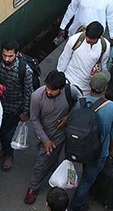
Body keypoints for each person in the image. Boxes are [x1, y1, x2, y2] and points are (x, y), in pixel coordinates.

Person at [23, 70, 79, 204]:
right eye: (47, 88)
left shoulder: (70, 91)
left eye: (53, 90)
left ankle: (36, 184)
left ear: (60, 89)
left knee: (47, 159)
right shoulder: (37, 96)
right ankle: (34, 186)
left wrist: (68, 117)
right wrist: (45, 139)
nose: (48, 92)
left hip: (61, 133)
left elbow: (80, 101)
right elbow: (34, 119)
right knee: (42, 161)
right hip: (44, 134)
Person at [69, 71, 113, 211]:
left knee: (85, 169)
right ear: (105, 89)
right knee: (87, 181)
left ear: (90, 86)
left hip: (80, 148)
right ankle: (75, 206)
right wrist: (111, 150)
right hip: (99, 152)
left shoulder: (80, 103)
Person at [0, 39, 34, 172]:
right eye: (4, 55)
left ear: (17, 54)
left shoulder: (24, 70)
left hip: (15, 108)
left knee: (8, 134)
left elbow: (28, 92)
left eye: (10, 56)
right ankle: (2, 149)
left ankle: (9, 155)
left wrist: (26, 112)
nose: (7, 59)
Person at [56, 21, 110, 96]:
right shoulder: (74, 40)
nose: (87, 40)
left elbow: (103, 65)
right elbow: (64, 58)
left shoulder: (105, 46)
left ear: (98, 37)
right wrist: (59, 76)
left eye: (91, 39)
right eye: (87, 36)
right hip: (68, 80)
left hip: (86, 88)